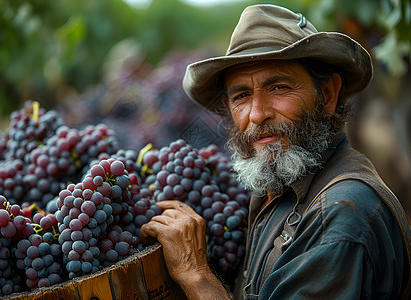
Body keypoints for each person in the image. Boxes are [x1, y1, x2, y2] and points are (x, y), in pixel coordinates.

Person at [140, 4, 411, 299]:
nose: (257, 114)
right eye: (241, 95)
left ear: (329, 95)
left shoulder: (338, 216)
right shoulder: (279, 189)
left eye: (279, 87)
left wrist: (196, 274)